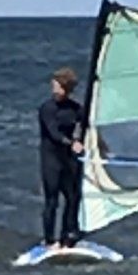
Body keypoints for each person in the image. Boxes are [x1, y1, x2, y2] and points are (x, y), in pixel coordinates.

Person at [38, 66, 89, 248]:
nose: (53, 87)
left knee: (73, 197)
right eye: (54, 84)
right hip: (51, 160)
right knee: (52, 201)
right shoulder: (47, 109)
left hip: (69, 160)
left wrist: (101, 146)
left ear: (65, 88)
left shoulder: (76, 109)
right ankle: (49, 240)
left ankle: (67, 236)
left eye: (57, 84)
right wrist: (72, 143)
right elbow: (53, 133)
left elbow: (86, 127)